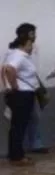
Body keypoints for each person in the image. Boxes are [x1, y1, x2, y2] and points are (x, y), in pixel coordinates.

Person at [2, 33, 38, 166]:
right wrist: (15, 86)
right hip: (22, 94)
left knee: (17, 126)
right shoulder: (19, 56)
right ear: (23, 44)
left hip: (20, 94)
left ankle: (15, 154)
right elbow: (10, 69)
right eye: (29, 44)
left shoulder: (14, 55)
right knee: (20, 126)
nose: (31, 47)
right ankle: (17, 156)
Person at [12, 23, 48, 155]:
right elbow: (10, 69)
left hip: (33, 87)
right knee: (21, 121)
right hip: (22, 91)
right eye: (32, 34)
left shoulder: (34, 49)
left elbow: (33, 70)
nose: (35, 37)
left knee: (35, 117)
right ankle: (19, 150)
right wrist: (14, 86)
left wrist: (40, 88)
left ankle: (36, 144)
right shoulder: (16, 51)